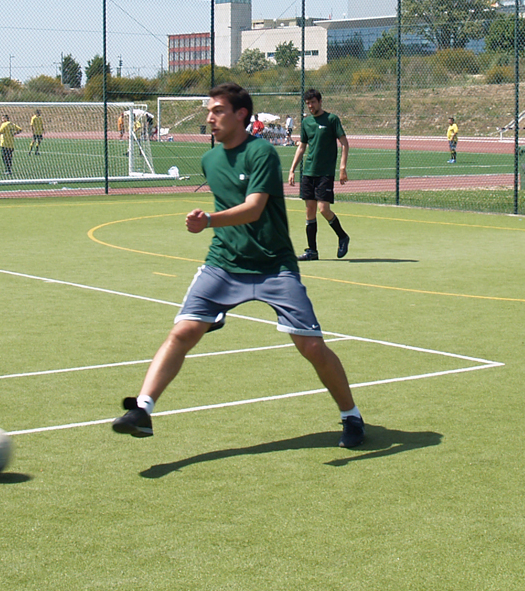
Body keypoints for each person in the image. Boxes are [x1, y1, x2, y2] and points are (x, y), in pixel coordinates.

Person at [111, 82, 366, 449]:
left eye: (217, 111)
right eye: (209, 112)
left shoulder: (261, 153)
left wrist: (209, 220)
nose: (210, 117)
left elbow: (254, 208)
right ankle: (143, 410)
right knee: (182, 332)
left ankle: (351, 415)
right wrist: (213, 225)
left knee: (311, 347)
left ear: (240, 114)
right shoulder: (209, 160)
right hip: (224, 264)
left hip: (274, 266)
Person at [287, 89, 351, 261]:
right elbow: (302, 147)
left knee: (323, 209)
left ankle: (343, 236)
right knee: (310, 211)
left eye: (313, 102)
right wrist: (292, 169)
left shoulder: (332, 120)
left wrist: (342, 167)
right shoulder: (307, 122)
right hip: (308, 172)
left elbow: (345, 143)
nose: (310, 106)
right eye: (308, 103)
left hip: (325, 173)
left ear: (320, 102)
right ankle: (312, 251)